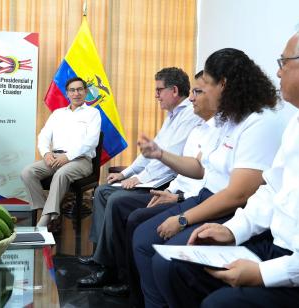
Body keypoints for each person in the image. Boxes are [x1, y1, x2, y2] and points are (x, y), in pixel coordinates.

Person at [157, 20, 299, 308]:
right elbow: (270, 190)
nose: (277, 71)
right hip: (273, 244)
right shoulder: (298, 125)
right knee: (175, 266)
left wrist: (262, 272)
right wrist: (233, 230)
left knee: (219, 302)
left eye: (283, 62)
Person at [133, 48, 284, 308]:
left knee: (165, 261)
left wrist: (182, 219)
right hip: (207, 198)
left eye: (204, 87)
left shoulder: (258, 123)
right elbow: (200, 168)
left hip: (228, 209)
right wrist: (159, 154)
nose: (196, 96)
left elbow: (238, 194)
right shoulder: (228, 121)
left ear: (223, 84)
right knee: (143, 238)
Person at [82, 71, 220, 303]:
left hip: (170, 186)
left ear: (174, 91)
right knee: (103, 192)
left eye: (159, 90)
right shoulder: (181, 119)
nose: (155, 96)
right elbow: (154, 153)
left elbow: (170, 162)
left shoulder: (192, 119)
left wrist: (144, 181)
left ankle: (116, 271)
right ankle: (104, 259)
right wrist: (127, 173)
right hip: (174, 187)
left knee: (116, 201)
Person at [20, 77, 101, 228]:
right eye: (72, 90)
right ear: (67, 94)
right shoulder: (57, 114)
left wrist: (68, 157)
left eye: (79, 89)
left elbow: (91, 142)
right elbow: (43, 136)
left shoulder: (93, 113)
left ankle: (44, 221)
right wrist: (46, 153)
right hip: (55, 157)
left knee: (61, 174)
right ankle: (45, 211)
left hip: (80, 160)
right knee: (27, 172)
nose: (76, 93)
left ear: (85, 92)